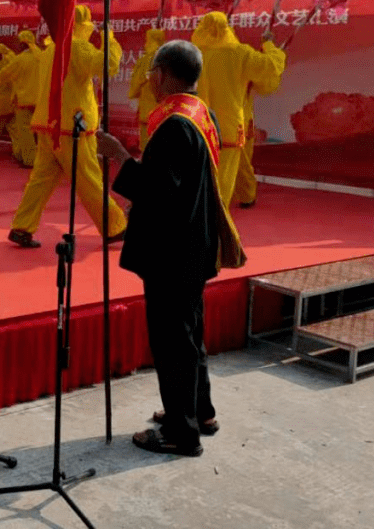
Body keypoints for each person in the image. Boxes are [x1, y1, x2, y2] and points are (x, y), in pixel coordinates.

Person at [96, 39, 246, 458]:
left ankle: (182, 431)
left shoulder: (175, 124)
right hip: (194, 243)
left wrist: (120, 157)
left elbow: (159, 191)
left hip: (172, 251)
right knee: (191, 334)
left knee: (173, 341)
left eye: (151, 72)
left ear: (162, 73)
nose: (148, 80)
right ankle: (200, 410)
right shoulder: (202, 115)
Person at [8, 6, 127, 248]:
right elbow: (106, 66)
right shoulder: (78, 46)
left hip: (49, 125)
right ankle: (115, 227)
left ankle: (22, 226)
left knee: (40, 181)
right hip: (72, 129)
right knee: (89, 179)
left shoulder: (52, 48)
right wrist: (110, 40)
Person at [191, 12, 286, 207]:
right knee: (224, 177)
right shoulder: (239, 53)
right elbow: (270, 67)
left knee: (196, 172)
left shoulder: (192, 54)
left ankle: (197, 214)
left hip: (195, 123)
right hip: (227, 126)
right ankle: (216, 219)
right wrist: (269, 45)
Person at [233, 37, 288, 208]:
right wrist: (270, 47)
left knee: (234, 162)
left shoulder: (208, 55)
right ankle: (245, 196)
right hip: (235, 122)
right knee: (239, 162)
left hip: (224, 122)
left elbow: (267, 83)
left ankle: (240, 195)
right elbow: (268, 80)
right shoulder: (244, 58)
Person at [0, 31, 42, 167]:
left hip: (24, 102)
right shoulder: (42, 56)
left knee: (25, 133)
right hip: (41, 102)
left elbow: (5, 74)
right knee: (42, 135)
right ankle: (42, 161)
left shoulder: (20, 59)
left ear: (22, 44)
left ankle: (29, 160)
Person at [129, 28, 166, 151]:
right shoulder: (168, 59)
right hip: (164, 112)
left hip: (148, 112)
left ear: (155, 41)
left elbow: (137, 82)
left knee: (148, 148)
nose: (146, 44)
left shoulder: (148, 59)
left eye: (148, 41)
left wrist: (133, 92)